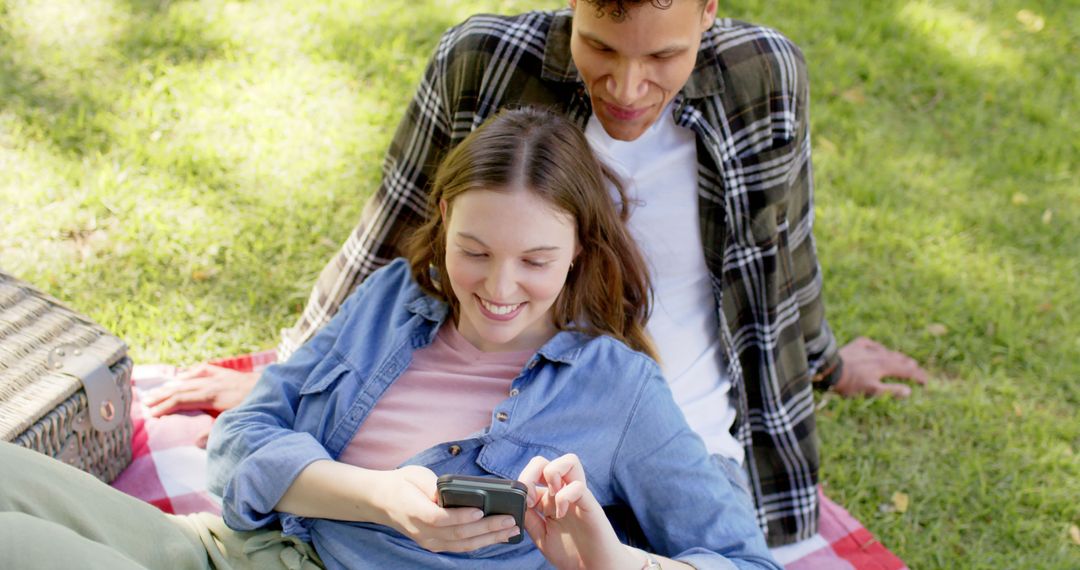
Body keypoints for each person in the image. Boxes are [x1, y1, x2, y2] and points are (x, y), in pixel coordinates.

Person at [144, 0, 929, 548]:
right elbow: (396, 230)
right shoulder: (485, 63)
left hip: (679, 429)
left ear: (710, 13)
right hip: (520, 405)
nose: (627, 87)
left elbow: (782, 251)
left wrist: (823, 361)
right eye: (600, 47)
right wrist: (295, 375)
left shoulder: (765, 78)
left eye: (663, 55)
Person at [0, 107, 780, 570]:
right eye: (474, 251)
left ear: (579, 250)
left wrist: (605, 557)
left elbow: (747, 560)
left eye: (535, 260)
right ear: (442, 224)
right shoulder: (394, 300)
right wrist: (379, 497)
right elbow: (241, 437)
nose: (499, 288)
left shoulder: (618, 391)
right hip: (247, 551)